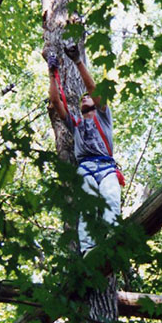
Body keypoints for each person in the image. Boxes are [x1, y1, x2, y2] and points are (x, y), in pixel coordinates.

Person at [47, 44, 124, 254]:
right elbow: (55, 101)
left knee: (111, 200)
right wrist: (51, 73)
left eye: (87, 98)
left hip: (107, 167)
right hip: (86, 168)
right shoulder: (76, 124)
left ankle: (113, 239)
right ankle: (89, 249)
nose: (85, 98)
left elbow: (92, 89)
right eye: (81, 99)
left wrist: (78, 61)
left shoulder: (103, 116)